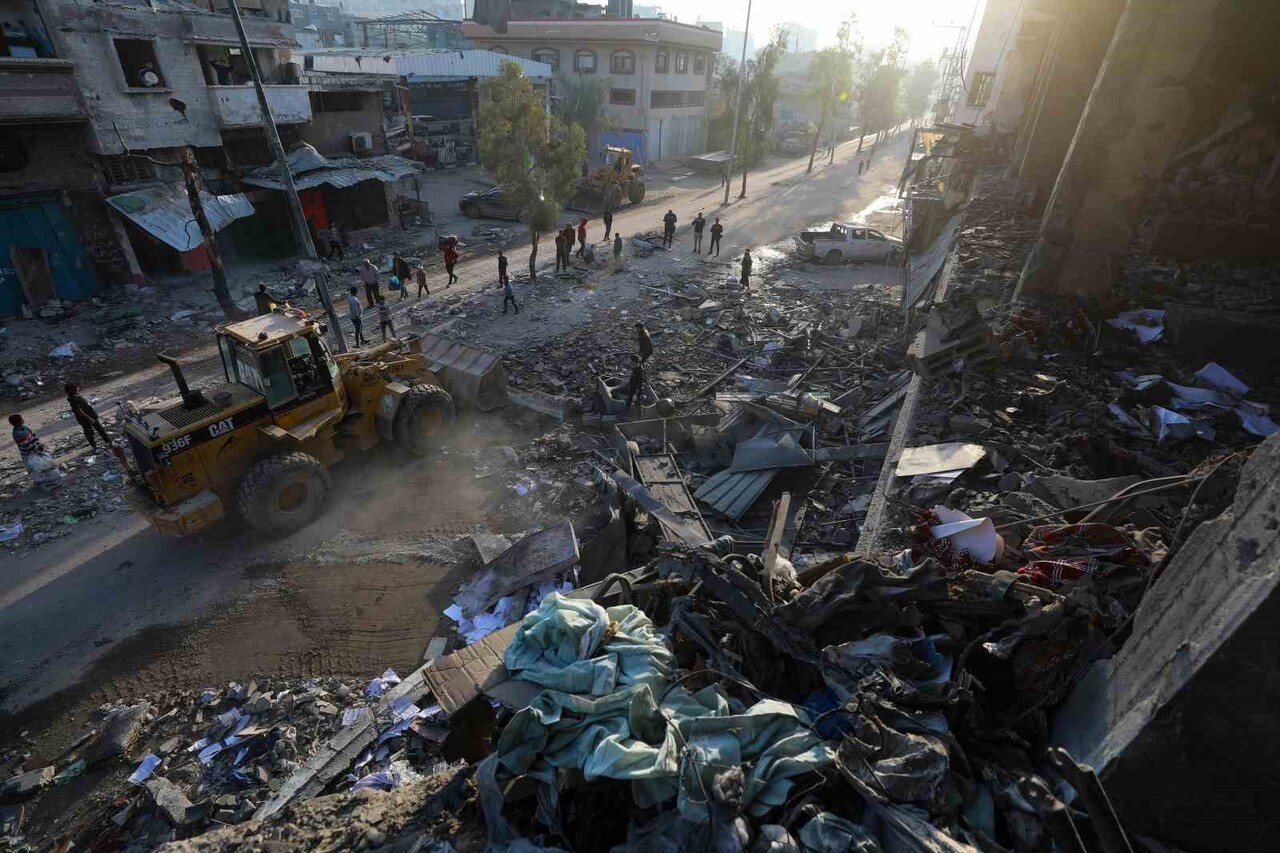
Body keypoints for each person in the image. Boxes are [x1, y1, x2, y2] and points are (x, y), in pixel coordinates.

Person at [66, 383, 112, 450]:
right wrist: (90, 419)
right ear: (71, 389)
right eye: (76, 387)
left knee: (101, 430)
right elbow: (79, 411)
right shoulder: (73, 399)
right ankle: (95, 446)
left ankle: (109, 442)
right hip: (86, 419)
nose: (78, 388)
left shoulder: (77, 396)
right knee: (90, 433)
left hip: (91, 416)